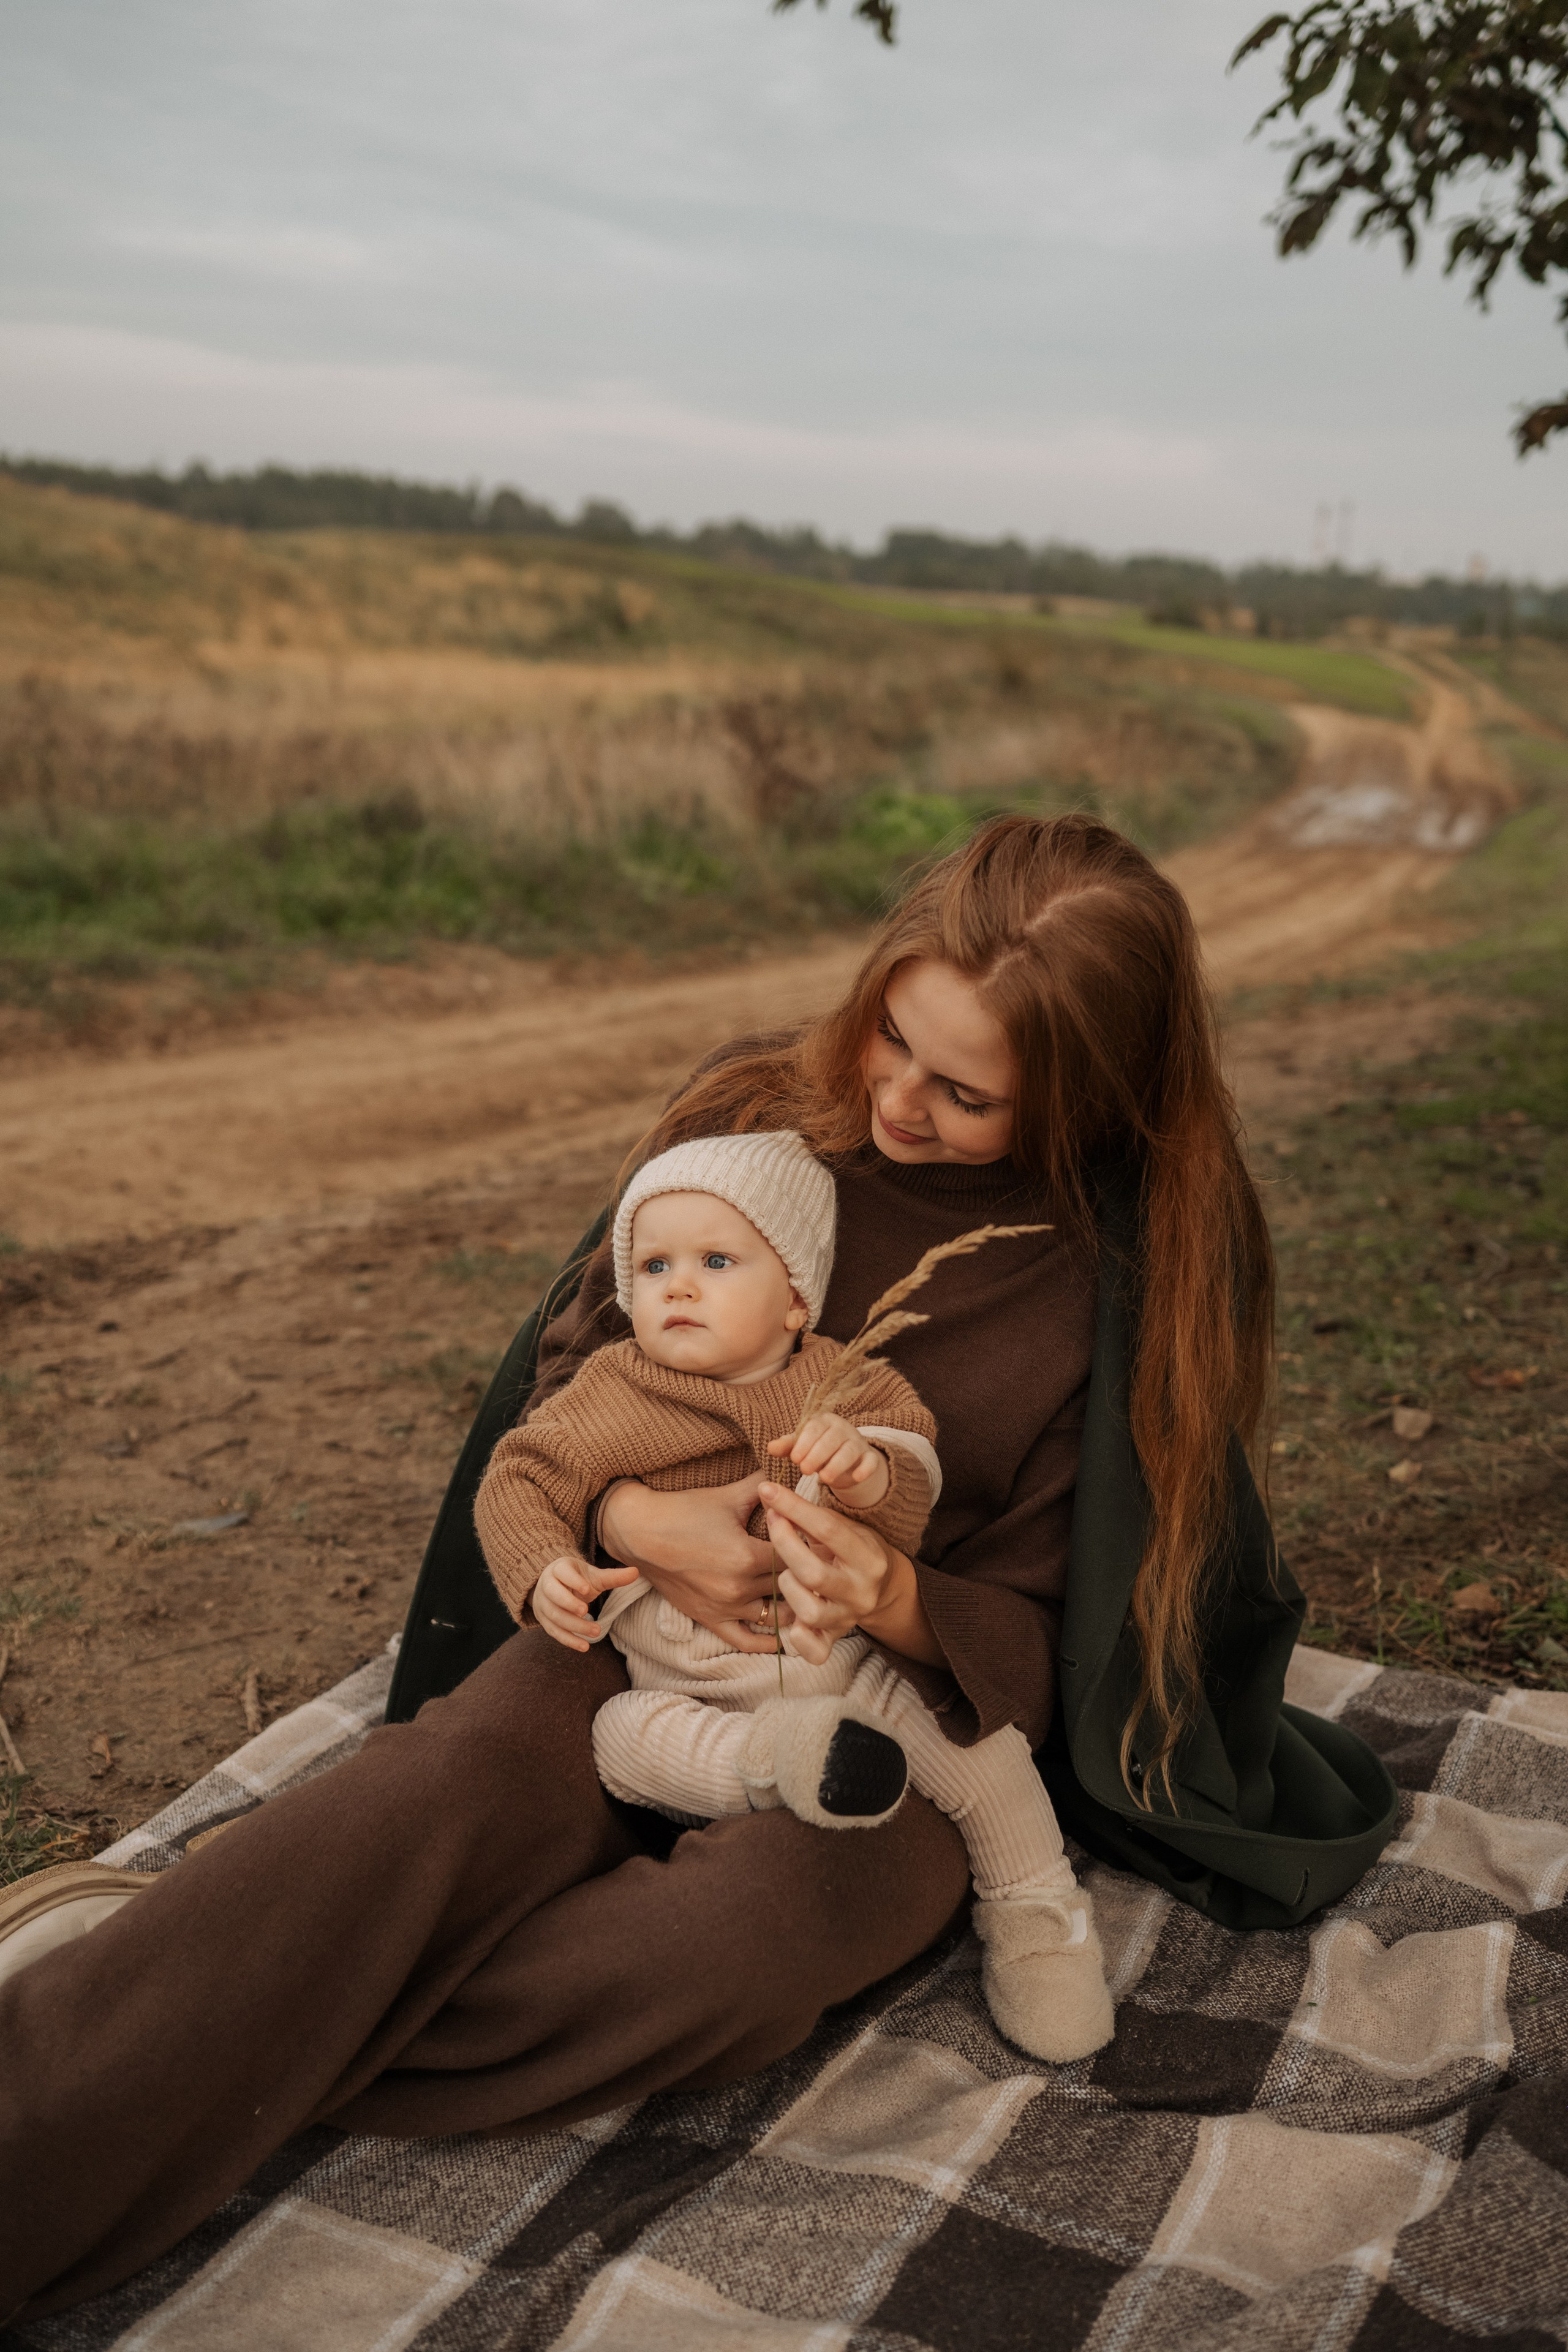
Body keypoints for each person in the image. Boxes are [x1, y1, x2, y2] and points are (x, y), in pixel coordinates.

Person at [0, 813, 1396, 2323]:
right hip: (632, 1633)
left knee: (738, 1946)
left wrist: (892, 1595)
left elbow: (1086, 1613)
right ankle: (69, 2099)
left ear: (1084, 1103)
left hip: (893, 1719)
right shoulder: (757, 1110)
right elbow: (580, 1366)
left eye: (966, 1092)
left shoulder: (1118, 1282)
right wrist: (624, 1525)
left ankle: (199, 2000)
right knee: (433, 1793)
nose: (899, 1101)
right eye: (892, 1040)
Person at [475, 1126, 1114, 2062]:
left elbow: (911, 1462)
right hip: (690, 1684)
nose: (677, 1286)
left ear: (795, 1302)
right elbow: (521, 1474)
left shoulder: (840, 1378)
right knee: (622, 1741)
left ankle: (1037, 1919)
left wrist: (865, 1471)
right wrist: (542, 1567)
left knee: (987, 1758)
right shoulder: (616, 1387)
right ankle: (774, 1763)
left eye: (716, 1260)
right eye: (652, 1266)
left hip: (843, 1657)